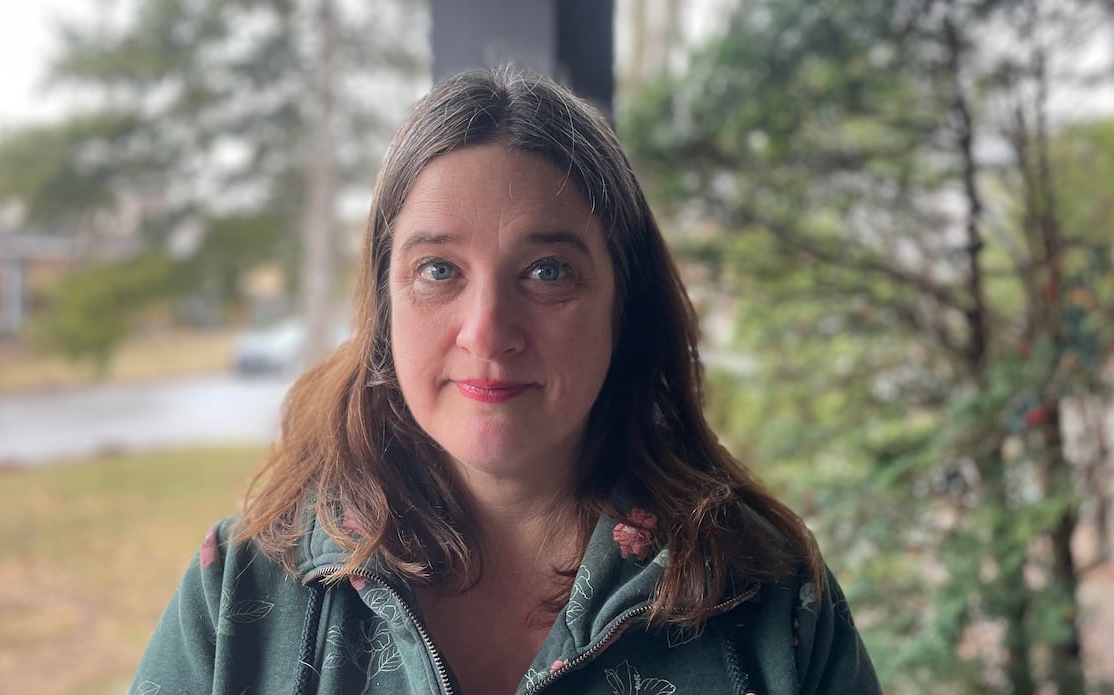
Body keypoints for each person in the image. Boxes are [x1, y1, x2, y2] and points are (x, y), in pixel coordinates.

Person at [130, 66, 882, 695]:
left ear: (625, 304)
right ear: (386, 307)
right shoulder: (241, 594)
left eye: (548, 271)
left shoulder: (772, 602)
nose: (487, 330)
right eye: (438, 270)